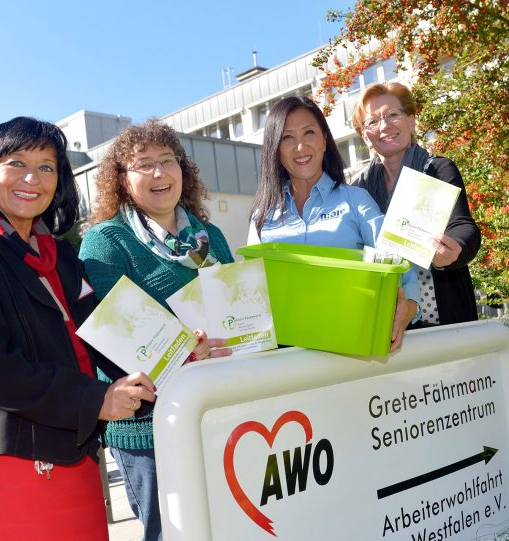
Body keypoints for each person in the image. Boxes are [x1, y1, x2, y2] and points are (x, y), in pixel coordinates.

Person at [0, 117, 156, 541]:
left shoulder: (63, 257)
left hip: (76, 460)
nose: (33, 178)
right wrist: (94, 398)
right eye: (17, 163)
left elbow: (107, 333)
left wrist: (183, 351)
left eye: (47, 167)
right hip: (4, 463)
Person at [79, 118, 234, 541]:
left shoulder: (210, 237)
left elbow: (240, 308)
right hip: (148, 431)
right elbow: (114, 341)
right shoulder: (106, 242)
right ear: (122, 179)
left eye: (168, 160)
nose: (159, 173)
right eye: (143, 164)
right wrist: (186, 351)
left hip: (218, 414)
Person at [247, 96, 421, 352]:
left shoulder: (356, 200)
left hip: (351, 350)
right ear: (275, 148)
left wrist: (409, 308)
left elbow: (399, 263)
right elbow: (251, 290)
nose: (300, 146)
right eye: (287, 138)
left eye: (309, 133)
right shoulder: (262, 216)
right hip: (285, 358)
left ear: (324, 140)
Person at [352, 82, 481, 326]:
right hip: (387, 318)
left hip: (443, 314)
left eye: (393, 115)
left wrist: (456, 249)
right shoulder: (358, 190)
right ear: (364, 136)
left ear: (411, 121)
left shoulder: (437, 169)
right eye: (372, 121)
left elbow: (463, 226)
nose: (385, 126)